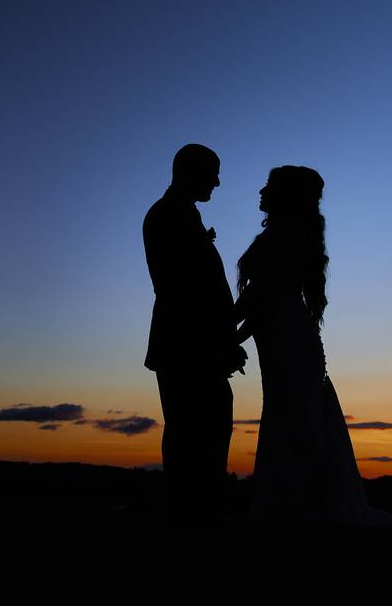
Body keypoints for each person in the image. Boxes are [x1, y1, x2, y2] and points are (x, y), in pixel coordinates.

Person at [235, 165, 392, 532]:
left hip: (287, 342)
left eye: (269, 186)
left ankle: (297, 513)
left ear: (286, 195)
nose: (261, 192)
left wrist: (222, 334)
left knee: (292, 420)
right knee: (292, 420)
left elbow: (261, 298)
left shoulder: (286, 234)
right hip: (285, 338)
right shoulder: (291, 232)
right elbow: (262, 302)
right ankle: (296, 510)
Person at [142, 143, 248, 529]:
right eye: (213, 173)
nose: (218, 182)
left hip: (191, 345)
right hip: (187, 347)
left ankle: (196, 516)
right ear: (188, 171)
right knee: (195, 436)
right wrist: (219, 341)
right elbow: (183, 291)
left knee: (204, 431)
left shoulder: (182, 214)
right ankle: (192, 520)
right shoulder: (168, 216)